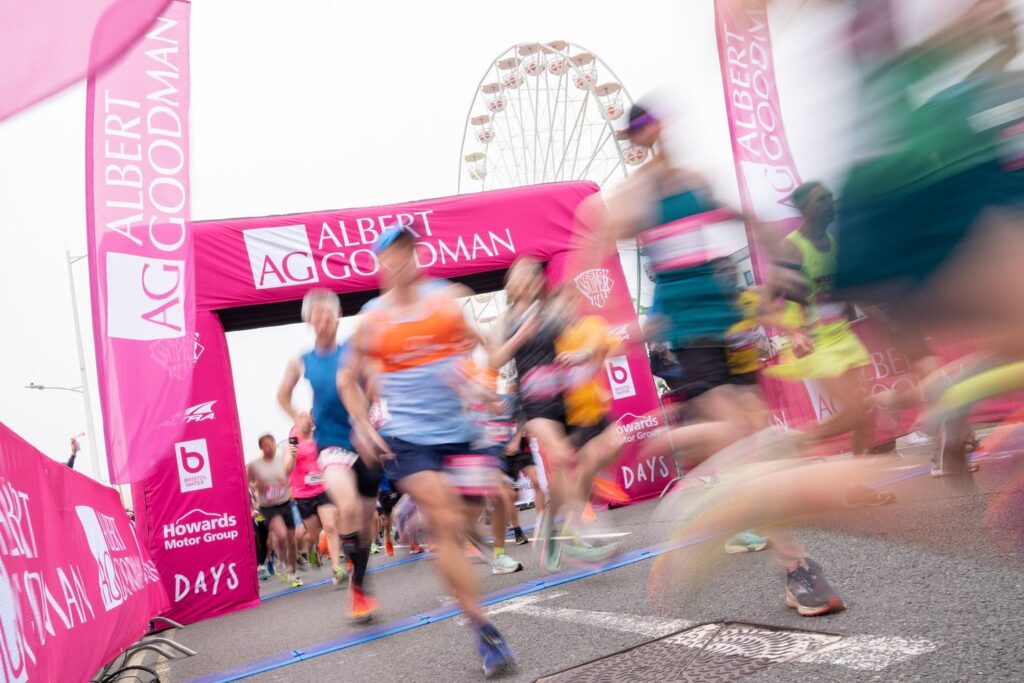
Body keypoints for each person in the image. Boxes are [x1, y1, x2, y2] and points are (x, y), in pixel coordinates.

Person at [598, 102, 844, 616]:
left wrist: (776, 252)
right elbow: (595, 239)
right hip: (691, 333)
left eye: (660, 125)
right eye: (644, 131)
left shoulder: (695, 179)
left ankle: (699, 469)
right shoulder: (635, 193)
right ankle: (795, 565)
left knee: (757, 437)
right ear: (635, 139)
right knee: (746, 441)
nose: (658, 135)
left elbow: (743, 217)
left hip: (730, 323)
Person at [344, 224, 516, 677]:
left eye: (408, 251)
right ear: (380, 265)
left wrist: (483, 385)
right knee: (444, 521)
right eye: (392, 254)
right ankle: (483, 630)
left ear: (418, 255)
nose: (402, 261)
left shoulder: (444, 300)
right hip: (409, 437)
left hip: (461, 432)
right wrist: (363, 423)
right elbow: (348, 379)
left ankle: (409, 515)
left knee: (470, 516)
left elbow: (484, 347)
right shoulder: (373, 319)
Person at [766, 181, 896, 507]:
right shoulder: (791, 249)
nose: (830, 203)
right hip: (812, 342)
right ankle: (797, 442)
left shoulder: (834, 243)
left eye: (829, 198)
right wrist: (793, 333)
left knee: (865, 413)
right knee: (856, 409)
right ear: (804, 209)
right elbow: (765, 302)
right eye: (821, 199)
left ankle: (854, 487)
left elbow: (849, 294)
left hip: (841, 335)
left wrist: (889, 321)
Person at [278, 289, 382, 621]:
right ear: (308, 320)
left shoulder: (355, 351)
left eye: (329, 313)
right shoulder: (302, 359)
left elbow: (375, 386)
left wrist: (371, 423)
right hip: (330, 444)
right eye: (317, 314)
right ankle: (356, 588)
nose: (323, 319)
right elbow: (282, 395)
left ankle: (359, 582)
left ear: (337, 316)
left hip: (363, 440)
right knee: (346, 506)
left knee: (366, 523)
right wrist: (298, 416)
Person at [283, 410, 346, 580]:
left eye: (308, 419)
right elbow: (286, 470)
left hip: (322, 488)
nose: (306, 423)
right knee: (312, 534)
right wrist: (293, 458)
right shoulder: (292, 442)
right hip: (303, 494)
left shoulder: (319, 436)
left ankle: (336, 569)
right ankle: (310, 550)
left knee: (331, 527)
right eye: (302, 420)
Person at [247, 434, 302, 587]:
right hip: (268, 507)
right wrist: (253, 504)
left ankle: (292, 572)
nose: (269, 447)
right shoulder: (255, 465)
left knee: (292, 541)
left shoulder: (280, 461)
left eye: (271, 443)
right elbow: (245, 483)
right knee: (282, 534)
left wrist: (294, 457)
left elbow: (288, 471)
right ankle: (280, 562)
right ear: (261, 447)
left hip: (285, 503)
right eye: (266, 445)